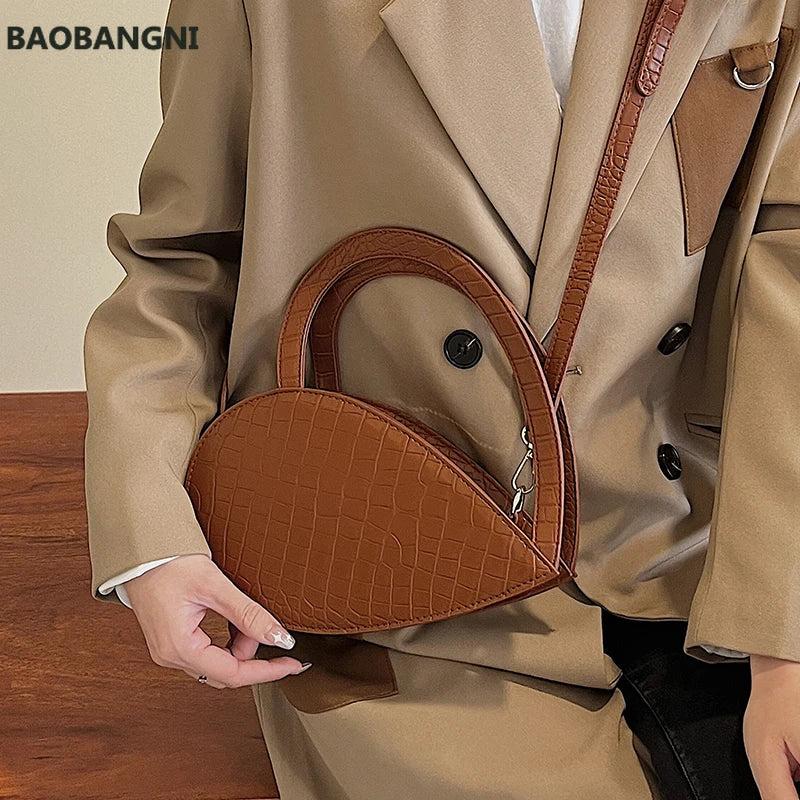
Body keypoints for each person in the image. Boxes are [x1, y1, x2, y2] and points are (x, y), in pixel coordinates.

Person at [83, 1, 800, 798]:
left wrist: (783, 634)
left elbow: (789, 263)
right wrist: (152, 538)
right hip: (405, 584)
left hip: (710, 554)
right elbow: (185, 258)